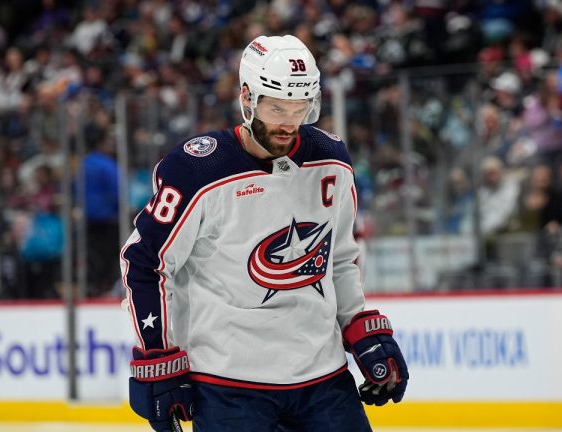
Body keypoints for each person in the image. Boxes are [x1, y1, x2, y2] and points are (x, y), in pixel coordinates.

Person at [120, 35, 408, 432]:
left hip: (324, 380)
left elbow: (339, 258)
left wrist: (359, 327)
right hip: (228, 387)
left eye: (301, 106)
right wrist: (158, 355)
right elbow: (145, 262)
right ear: (247, 96)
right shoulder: (198, 171)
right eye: (277, 107)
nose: (290, 122)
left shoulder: (331, 160)